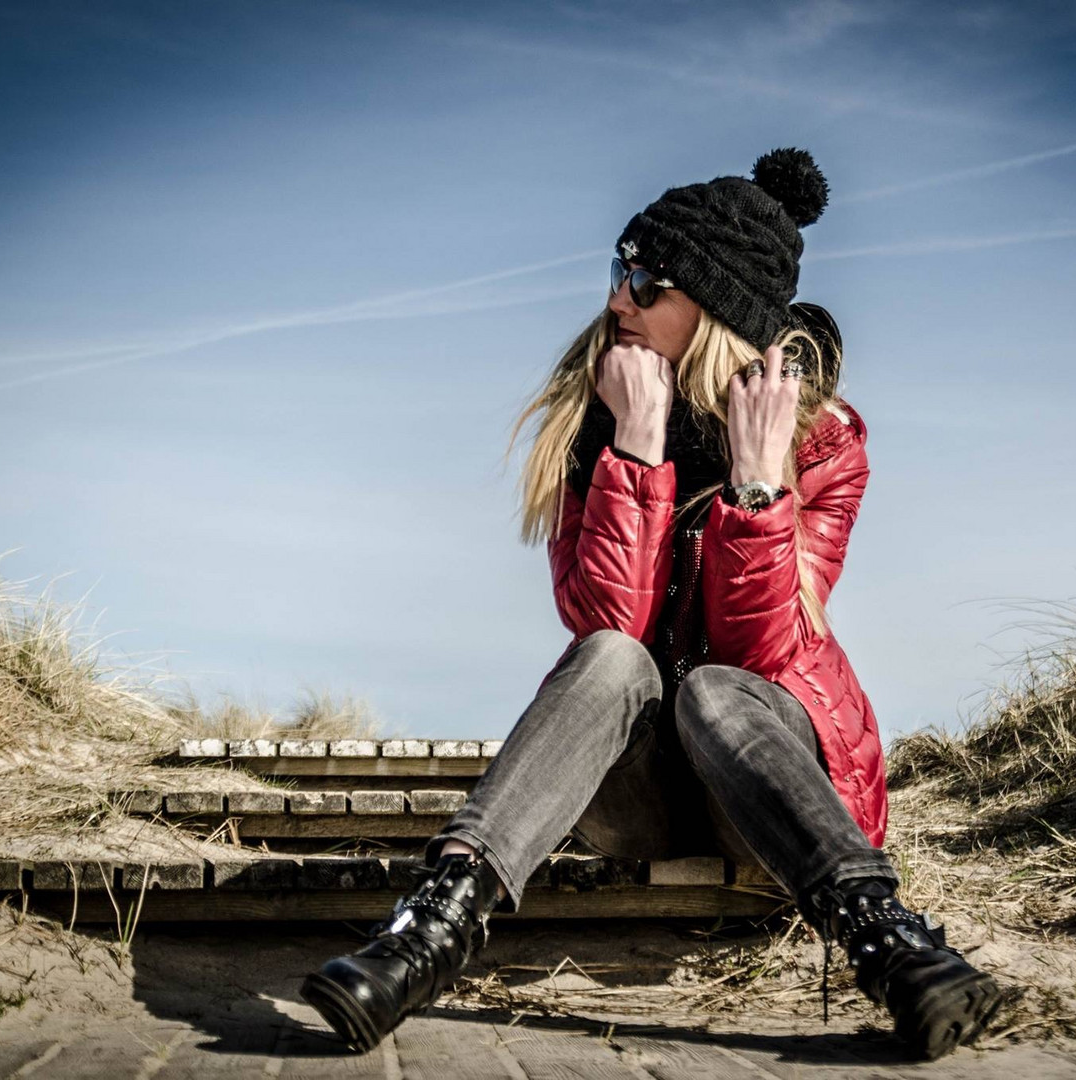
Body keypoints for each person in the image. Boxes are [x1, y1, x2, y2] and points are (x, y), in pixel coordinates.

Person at [301, 148, 999, 1060]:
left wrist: (756, 485)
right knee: (609, 658)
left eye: (645, 282)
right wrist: (634, 447)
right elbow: (608, 624)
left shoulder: (820, 443)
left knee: (714, 687)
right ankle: (427, 934)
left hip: (770, 795)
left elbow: (761, 653)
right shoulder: (588, 429)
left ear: (712, 309)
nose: (616, 300)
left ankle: (889, 943)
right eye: (616, 271)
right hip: (638, 800)